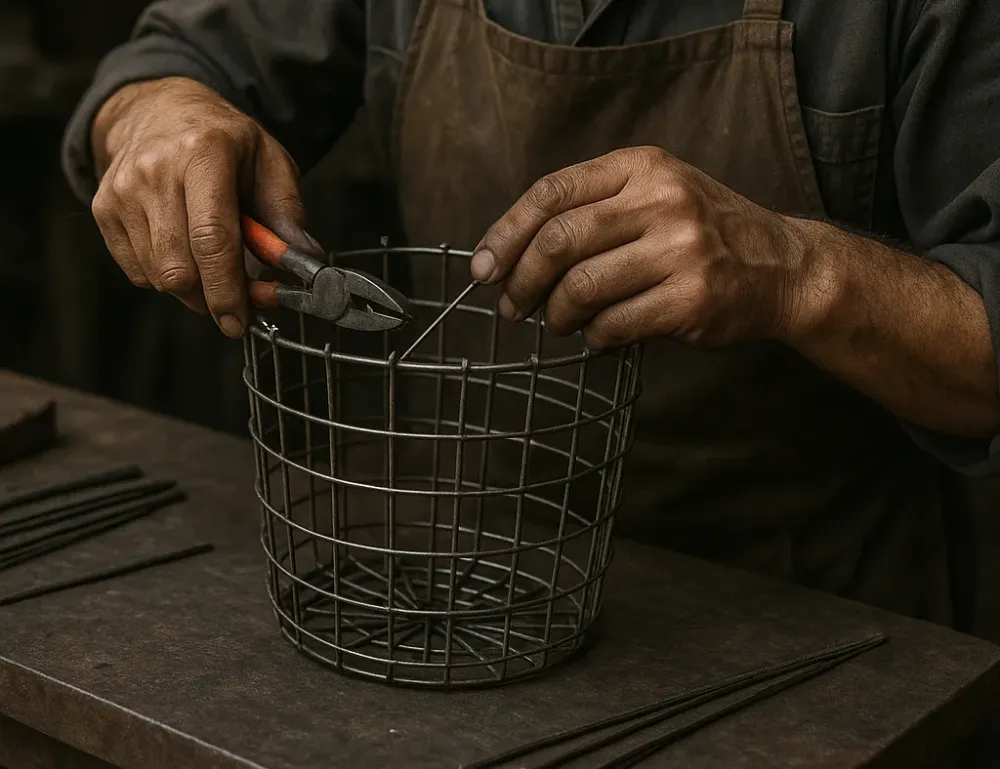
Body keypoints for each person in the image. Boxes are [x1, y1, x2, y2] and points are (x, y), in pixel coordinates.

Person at [62, 0, 1000, 629]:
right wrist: (160, 114)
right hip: (448, 587)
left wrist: (800, 272)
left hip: (809, 613)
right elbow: (169, 63)